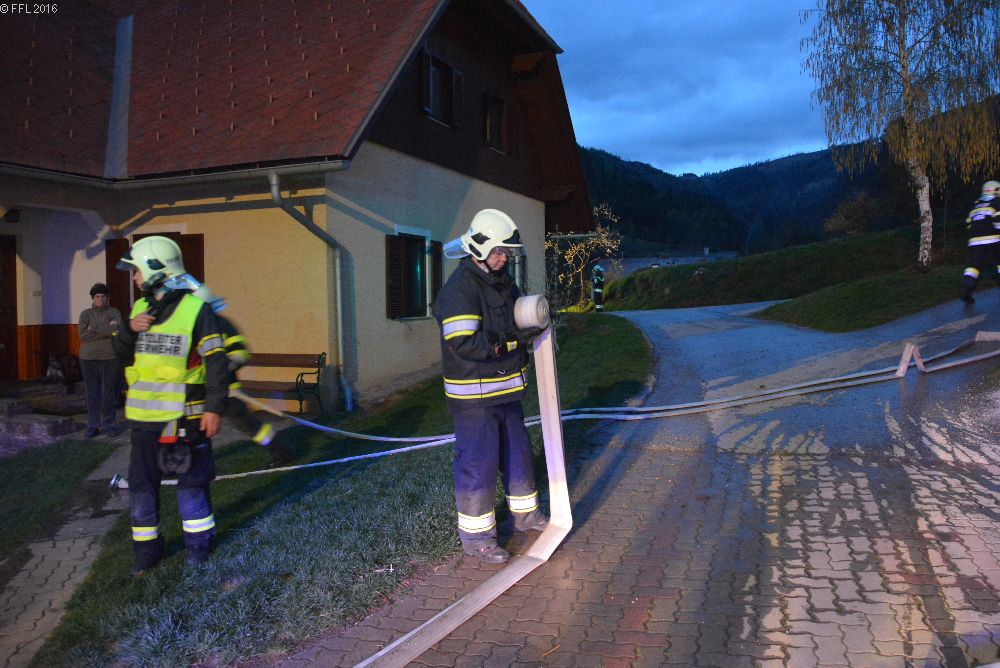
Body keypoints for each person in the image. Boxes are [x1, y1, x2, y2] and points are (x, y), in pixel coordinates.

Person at [433, 209, 548, 564]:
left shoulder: (502, 282)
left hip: (506, 391)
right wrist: (512, 341)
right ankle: (477, 538)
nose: (503, 258)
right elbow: (463, 342)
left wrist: (533, 323)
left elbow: (515, 319)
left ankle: (525, 515)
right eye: (498, 251)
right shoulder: (460, 289)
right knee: (478, 465)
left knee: (518, 455)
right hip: (475, 398)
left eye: (506, 252)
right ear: (478, 249)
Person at [112, 236, 228, 576]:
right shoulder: (138, 310)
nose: (134, 278)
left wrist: (214, 408)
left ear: (156, 270)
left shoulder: (196, 310)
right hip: (145, 420)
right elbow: (121, 355)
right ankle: (147, 552)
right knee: (141, 487)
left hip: (184, 418)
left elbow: (216, 362)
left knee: (191, 484)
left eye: (136, 271)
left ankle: (199, 546)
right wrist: (129, 330)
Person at [78, 283, 124, 438]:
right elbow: (82, 335)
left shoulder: (114, 312)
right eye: (97, 296)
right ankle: (93, 425)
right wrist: (107, 329)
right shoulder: (85, 314)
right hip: (88, 358)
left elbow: (117, 331)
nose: (101, 299)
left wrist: (93, 329)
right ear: (93, 298)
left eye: (104, 296)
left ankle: (109, 424)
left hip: (110, 357)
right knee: (92, 393)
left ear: (108, 298)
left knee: (108, 392)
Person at [960, 180, 1000, 304]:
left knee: (973, 266)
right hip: (993, 240)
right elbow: (998, 222)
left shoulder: (976, 205)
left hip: (975, 242)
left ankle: (967, 289)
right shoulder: (997, 202)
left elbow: (968, 224)